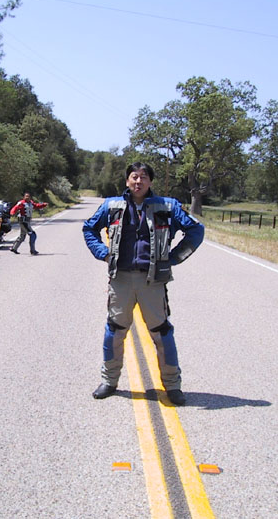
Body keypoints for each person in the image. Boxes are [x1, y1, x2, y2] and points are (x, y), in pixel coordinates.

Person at [82, 162, 205, 406]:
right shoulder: (111, 205)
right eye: (134, 177)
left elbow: (196, 231)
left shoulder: (167, 206)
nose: (138, 181)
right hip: (121, 279)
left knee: (162, 332)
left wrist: (172, 258)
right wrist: (103, 253)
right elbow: (89, 229)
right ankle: (109, 381)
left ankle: (172, 385)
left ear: (150, 181)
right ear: (127, 180)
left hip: (153, 281)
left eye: (144, 177)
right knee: (115, 330)